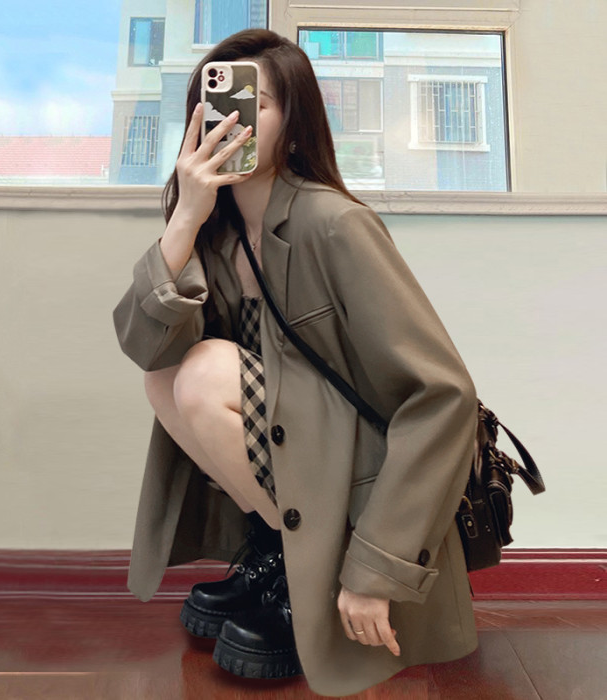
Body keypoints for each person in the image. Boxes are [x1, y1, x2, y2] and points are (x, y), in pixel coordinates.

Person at [113, 28, 479, 697]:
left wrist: (377, 569)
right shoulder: (215, 232)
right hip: (300, 448)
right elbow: (144, 345)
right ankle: (281, 555)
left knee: (203, 369)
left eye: (256, 104)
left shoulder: (333, 223)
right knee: (166, 372)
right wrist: (184, 219)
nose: (231, 120)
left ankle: (309, 567)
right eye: (215, 104)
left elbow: (442, 396)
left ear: (295, 123)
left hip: (363, 466)